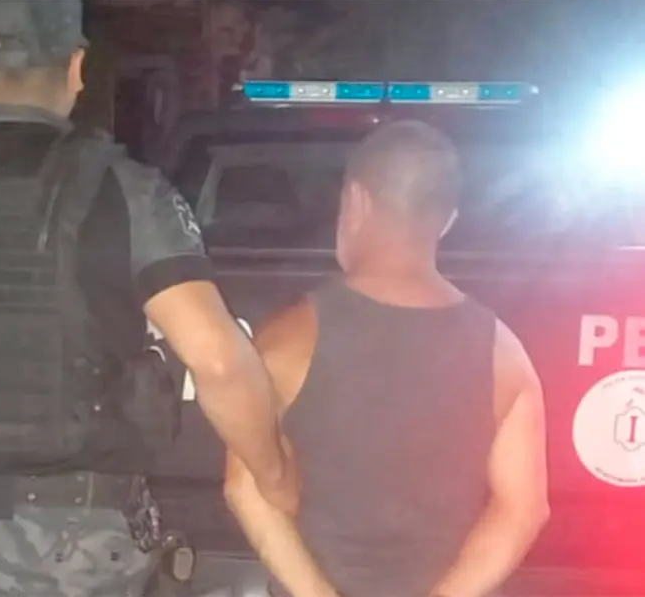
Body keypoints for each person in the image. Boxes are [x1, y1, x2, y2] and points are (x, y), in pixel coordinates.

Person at [0, 0, 297, 595]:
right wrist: (274, 475)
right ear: (77, 66)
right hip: (76, 547)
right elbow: (219, 364)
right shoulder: (123, 192)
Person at [223, 120, 550, 597]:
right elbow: (523, 510)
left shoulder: (288, 339)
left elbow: (245, 486)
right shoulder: (504, 352)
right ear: (447, 220)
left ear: (355, 201)